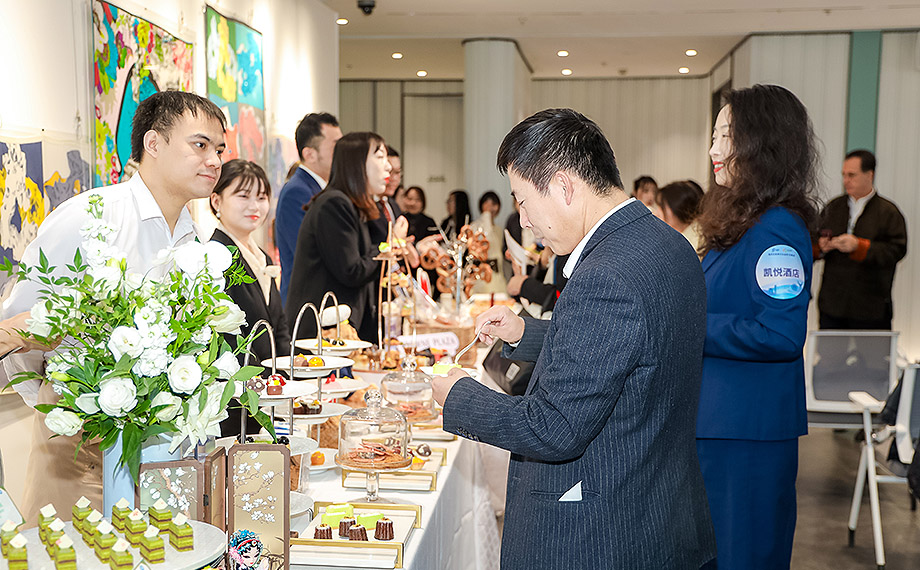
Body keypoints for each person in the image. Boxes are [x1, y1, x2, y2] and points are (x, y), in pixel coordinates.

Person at [431, 108, 715, 569]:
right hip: (661, 508)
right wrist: (526, 332)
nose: (524, 221)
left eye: (524, 201)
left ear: (564, 186)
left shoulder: (606, 273)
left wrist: (460, 397)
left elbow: (555, 427)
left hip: (602, 532)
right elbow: (625, 348)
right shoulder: (666, 243)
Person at [1, 90, 226, 523]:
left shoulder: (193, 238)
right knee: (70, 548)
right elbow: (24, 323)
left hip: (158, 445)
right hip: (78, 444)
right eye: (200, 145)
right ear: (153, 143)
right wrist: (62, 405)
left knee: (154, 548)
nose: (214, 160)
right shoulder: (91, 216)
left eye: (219, 149)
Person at [696, 84, 820, 569]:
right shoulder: (742, 223)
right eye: (713, 136)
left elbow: (780, 334)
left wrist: (691, 324)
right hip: (721, 428)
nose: (713, 150)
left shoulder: (777, 228)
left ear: (761, 144)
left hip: (746, 436)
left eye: (725, 136)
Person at [286, 132, 413, 343]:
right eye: (380, 157)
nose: (388, 167)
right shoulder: (334, 204)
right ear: (357, 164)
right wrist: (390, 244)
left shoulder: (354, 206)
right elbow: (352, 271)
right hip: (322, 336)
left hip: (341, 331)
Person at [208, 159, 291, 437]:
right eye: (243, 196)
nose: (254, 206)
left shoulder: (262, 256)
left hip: (267, 395)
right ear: (216, 200)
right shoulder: (213, 256)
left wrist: (283, 377)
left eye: (262, 197)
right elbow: (224, 337)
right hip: (234, 399)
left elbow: (278, 325)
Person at [816, 150, 907, 330]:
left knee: (873, 349)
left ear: (869, 175)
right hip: (833, 304)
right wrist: (821, 246)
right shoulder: (834, 207)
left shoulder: (888, 212)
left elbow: (897, 250)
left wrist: (859, 246)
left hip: (871, 305)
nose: (846, 180)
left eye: (852, 175)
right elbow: (814, 238)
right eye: (843, 175)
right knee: (830, 348)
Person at [275, 112, 342, 304]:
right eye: (336, 146)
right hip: (307, 304)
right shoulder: (298, 192)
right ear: (309, 154)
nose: (342, 153)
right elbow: (310, 255)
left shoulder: (321, 188)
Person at [367, 146, 403, 246]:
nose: (394, 178)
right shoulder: (364, 206)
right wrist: (393, 244)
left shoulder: (393, 205)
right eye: (389, 172)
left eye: (397, 172)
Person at [472, 191, 507, 293]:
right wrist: (486, 215)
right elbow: (487, 239)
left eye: (494, 204)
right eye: (487, 204)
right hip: (482, 276)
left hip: (497, 275)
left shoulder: (498, 229)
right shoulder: (475, 226)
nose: (490, 208)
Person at [657, 179, 705, 249]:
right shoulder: (684, 236)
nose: (656, 213)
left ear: (679, 208)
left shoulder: (695, 242)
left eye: (662, 207)